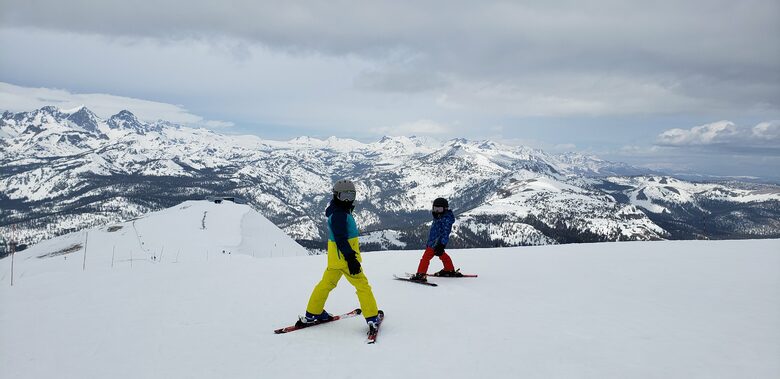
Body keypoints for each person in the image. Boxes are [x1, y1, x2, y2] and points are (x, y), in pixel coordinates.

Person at [300, 179, 381, 333]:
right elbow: (340, 238)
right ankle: (372, 318)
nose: (347, 200)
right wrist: (351, 258)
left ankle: (312, 313)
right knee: (362, 285)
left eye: (350, 196)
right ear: (336, 195)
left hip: (334, 259)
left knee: (326, 284)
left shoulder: (337, 210)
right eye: (344, 195)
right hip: (345, 258)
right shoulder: (339, 215)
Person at [409, 197, 462, 282]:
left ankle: (421, 274)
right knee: (442, 255)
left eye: (439, 209)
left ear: (445, 209)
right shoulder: (440, 217)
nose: (437, 211)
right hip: (434, 241)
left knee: (425, 258)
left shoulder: (446, 220)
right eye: (435, 209)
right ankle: (449, 269)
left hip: (436, 243)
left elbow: (445, 233)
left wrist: (441, 244)